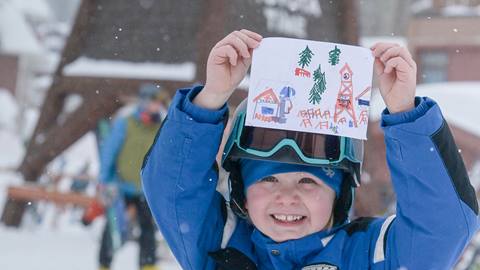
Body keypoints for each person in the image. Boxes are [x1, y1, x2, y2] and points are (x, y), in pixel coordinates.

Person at [141, 29, 479, 269]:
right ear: (241, 192)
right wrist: (211, 97)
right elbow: (171, 190)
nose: (286, 197)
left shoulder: (373, 254)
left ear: (341, 191)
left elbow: (442, 228)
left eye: (308, 181)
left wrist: (406, 114)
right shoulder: (218, 246)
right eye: (268, 180)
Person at [98, 83, 169, 270]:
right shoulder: (126, 123)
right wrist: (104, 181)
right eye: (154, 101)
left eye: (159, 103)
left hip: (147, 189)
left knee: (147, 229)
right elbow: (109, 152)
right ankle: (104, 264)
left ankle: (148, 266)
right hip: (122, 186)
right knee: (114, 227)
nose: (157, 106)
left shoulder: (161, 126)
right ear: (145, 102)